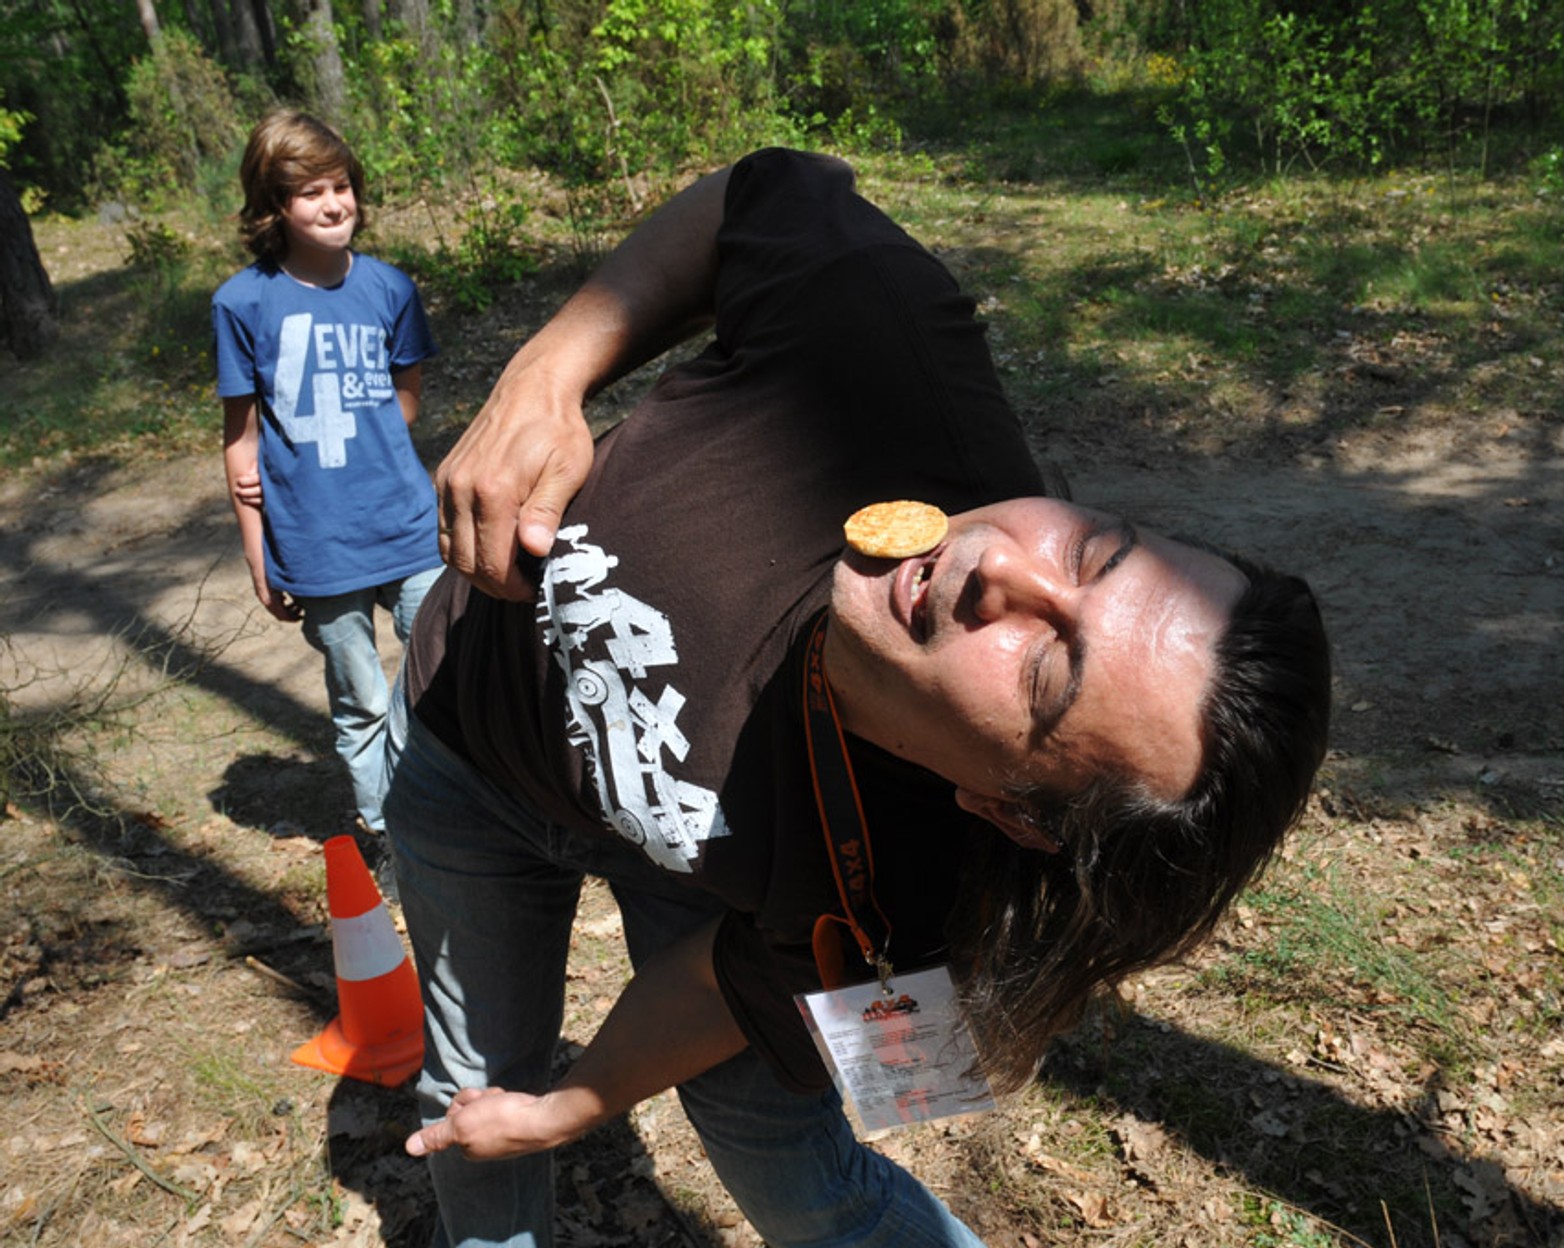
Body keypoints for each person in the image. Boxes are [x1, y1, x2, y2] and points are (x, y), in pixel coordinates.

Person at [389, 148, 1331, 1247]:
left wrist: (564, 1109)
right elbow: (751, 197)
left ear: (1008, 808)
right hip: (467, 751)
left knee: (771, 1140)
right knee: (462, 1093)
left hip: (699, 876)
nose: (1003, 571)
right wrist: (542, 378)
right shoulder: (880, 372)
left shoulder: (910, 889)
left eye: (1043, 669)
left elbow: (722, 983)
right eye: (1096, 552)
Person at [212, 110, 443, 836]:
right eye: (311, 192)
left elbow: (404, 400)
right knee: (361, 699)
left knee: (443, 665)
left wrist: (360, 437)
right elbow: (240, 441)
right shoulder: (241, 302)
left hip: (405, 525)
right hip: (317, 545)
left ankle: (444, 815)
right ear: (274, 206)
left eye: (340, 185)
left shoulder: (389, 288)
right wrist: (259, 551)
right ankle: (388, 831)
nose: (334, 203)